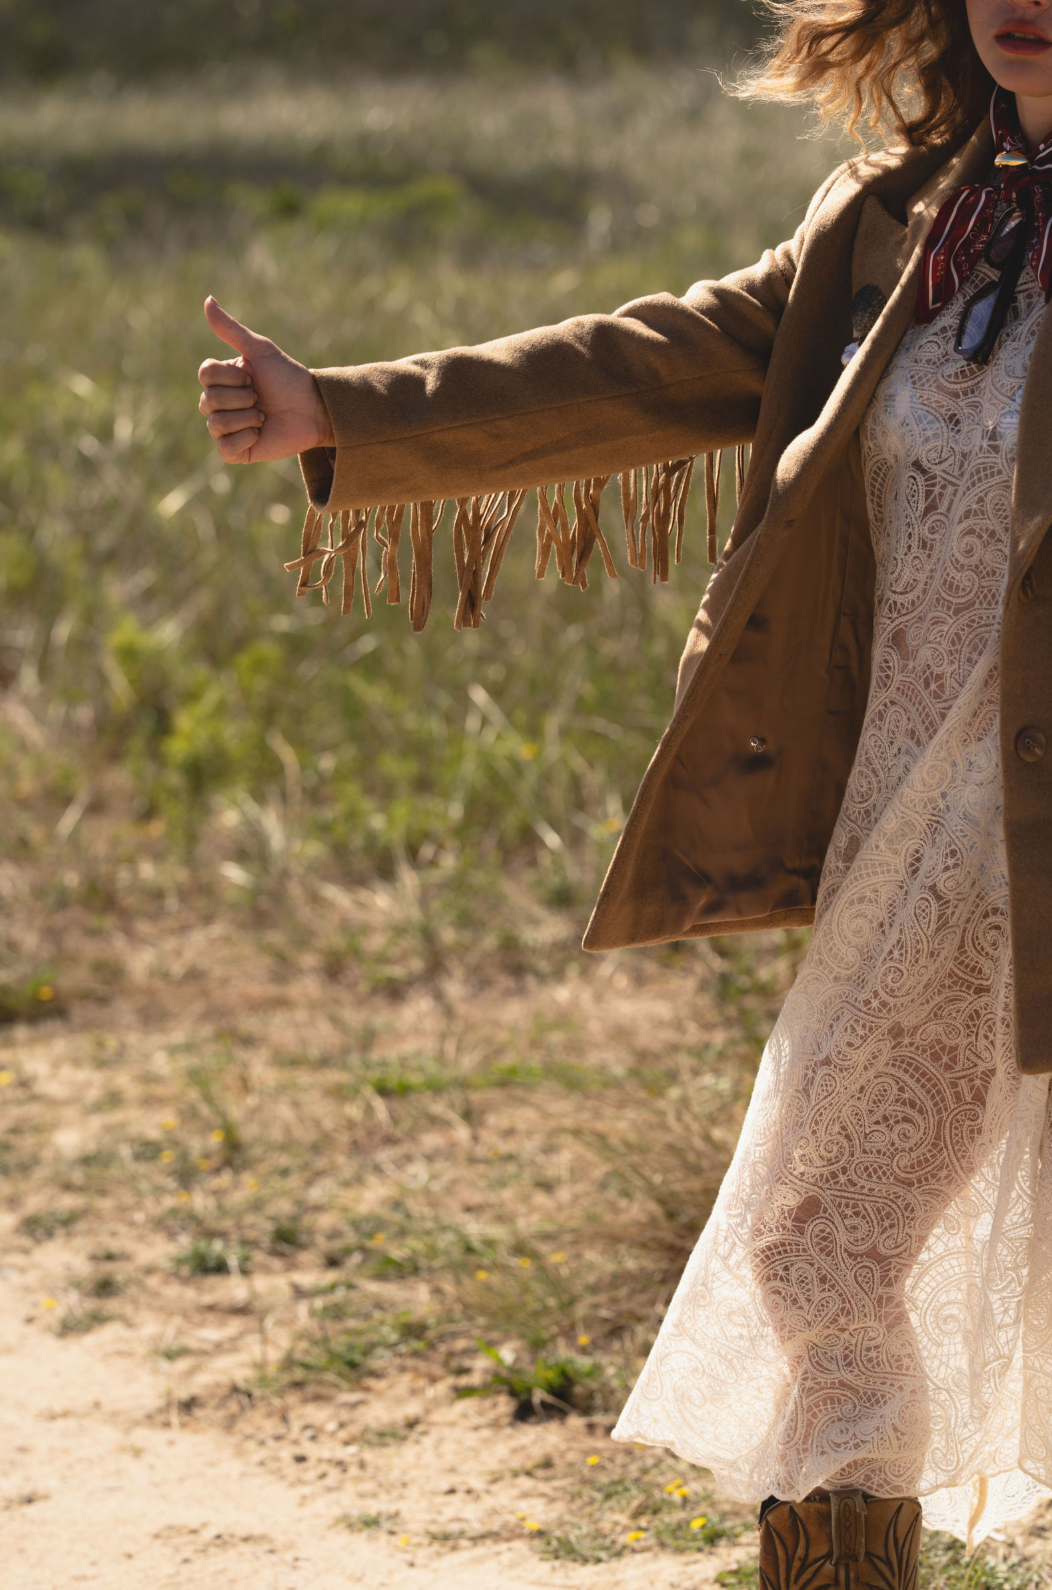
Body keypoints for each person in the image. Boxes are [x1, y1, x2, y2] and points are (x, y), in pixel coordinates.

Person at [198, 2, 1052, 1582]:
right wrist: (346, 411)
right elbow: (652, 360)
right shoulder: (901, 222)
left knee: (821, 1237)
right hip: (917, 829)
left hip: (1018, 840)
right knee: (821, 1240)